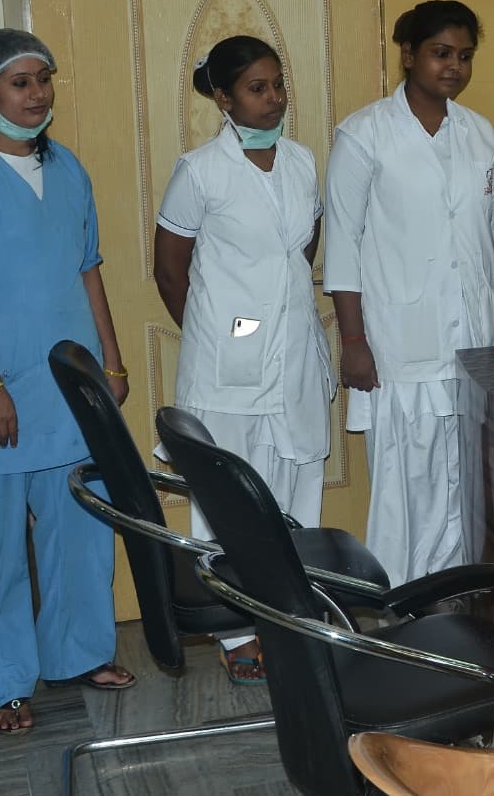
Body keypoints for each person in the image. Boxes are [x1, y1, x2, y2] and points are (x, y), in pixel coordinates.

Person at [0, 29, 136, 735]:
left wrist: (111, 356)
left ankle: (78, 653)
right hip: (0, 396)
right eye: (19, 82)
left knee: (81, 532)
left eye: (44, 78)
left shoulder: (66, 168)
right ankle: (1, 685)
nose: (37, 93)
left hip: (71, 390)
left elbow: (87, 267)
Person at [153, 35, 332, 683]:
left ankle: (294, 619)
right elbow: (170, 270)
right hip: (227, 365)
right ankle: (236, 635)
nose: (274, 98)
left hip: (294, 356)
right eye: (258, 88)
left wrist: (271, 326)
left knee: (296, 483)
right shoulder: (200, 170)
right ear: (224, 98)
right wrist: (223, 335)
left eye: (278, 84)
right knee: (229, 498)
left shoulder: (304, 162)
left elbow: (301, 250)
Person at [324, 0, 494, 584]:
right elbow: (342, 246)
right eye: (441, 53)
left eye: (465, 56)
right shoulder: (364, 134)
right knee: (406, 481)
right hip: (397, 340)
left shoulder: (479, 134)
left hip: (471, 339)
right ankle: (399, 606)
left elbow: (483, 238)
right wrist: (353, 339)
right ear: (408, 54)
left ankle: (458, 597)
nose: (453, 67)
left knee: (464, 479)